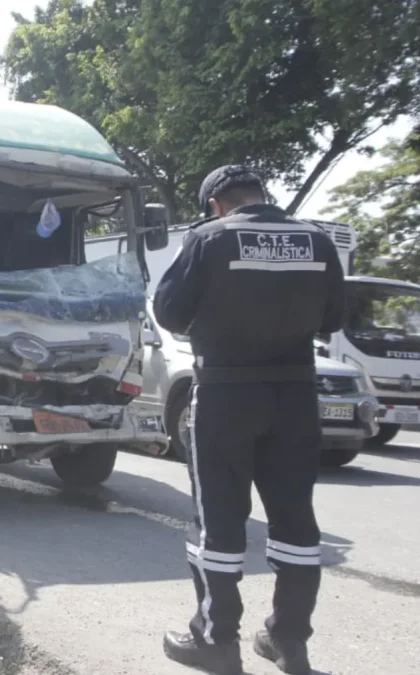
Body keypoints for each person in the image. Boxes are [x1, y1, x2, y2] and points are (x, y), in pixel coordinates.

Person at [153, 165, 345, 675]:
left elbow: (169, 311)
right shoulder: (317, 241)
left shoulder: (209, 239)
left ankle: (216, 641)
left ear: (216, 203)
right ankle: (288, 641)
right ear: (262, 194)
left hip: (226, 396)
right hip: (295, 398)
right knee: (295, 521)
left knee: (217, 522)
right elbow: (333, 318)